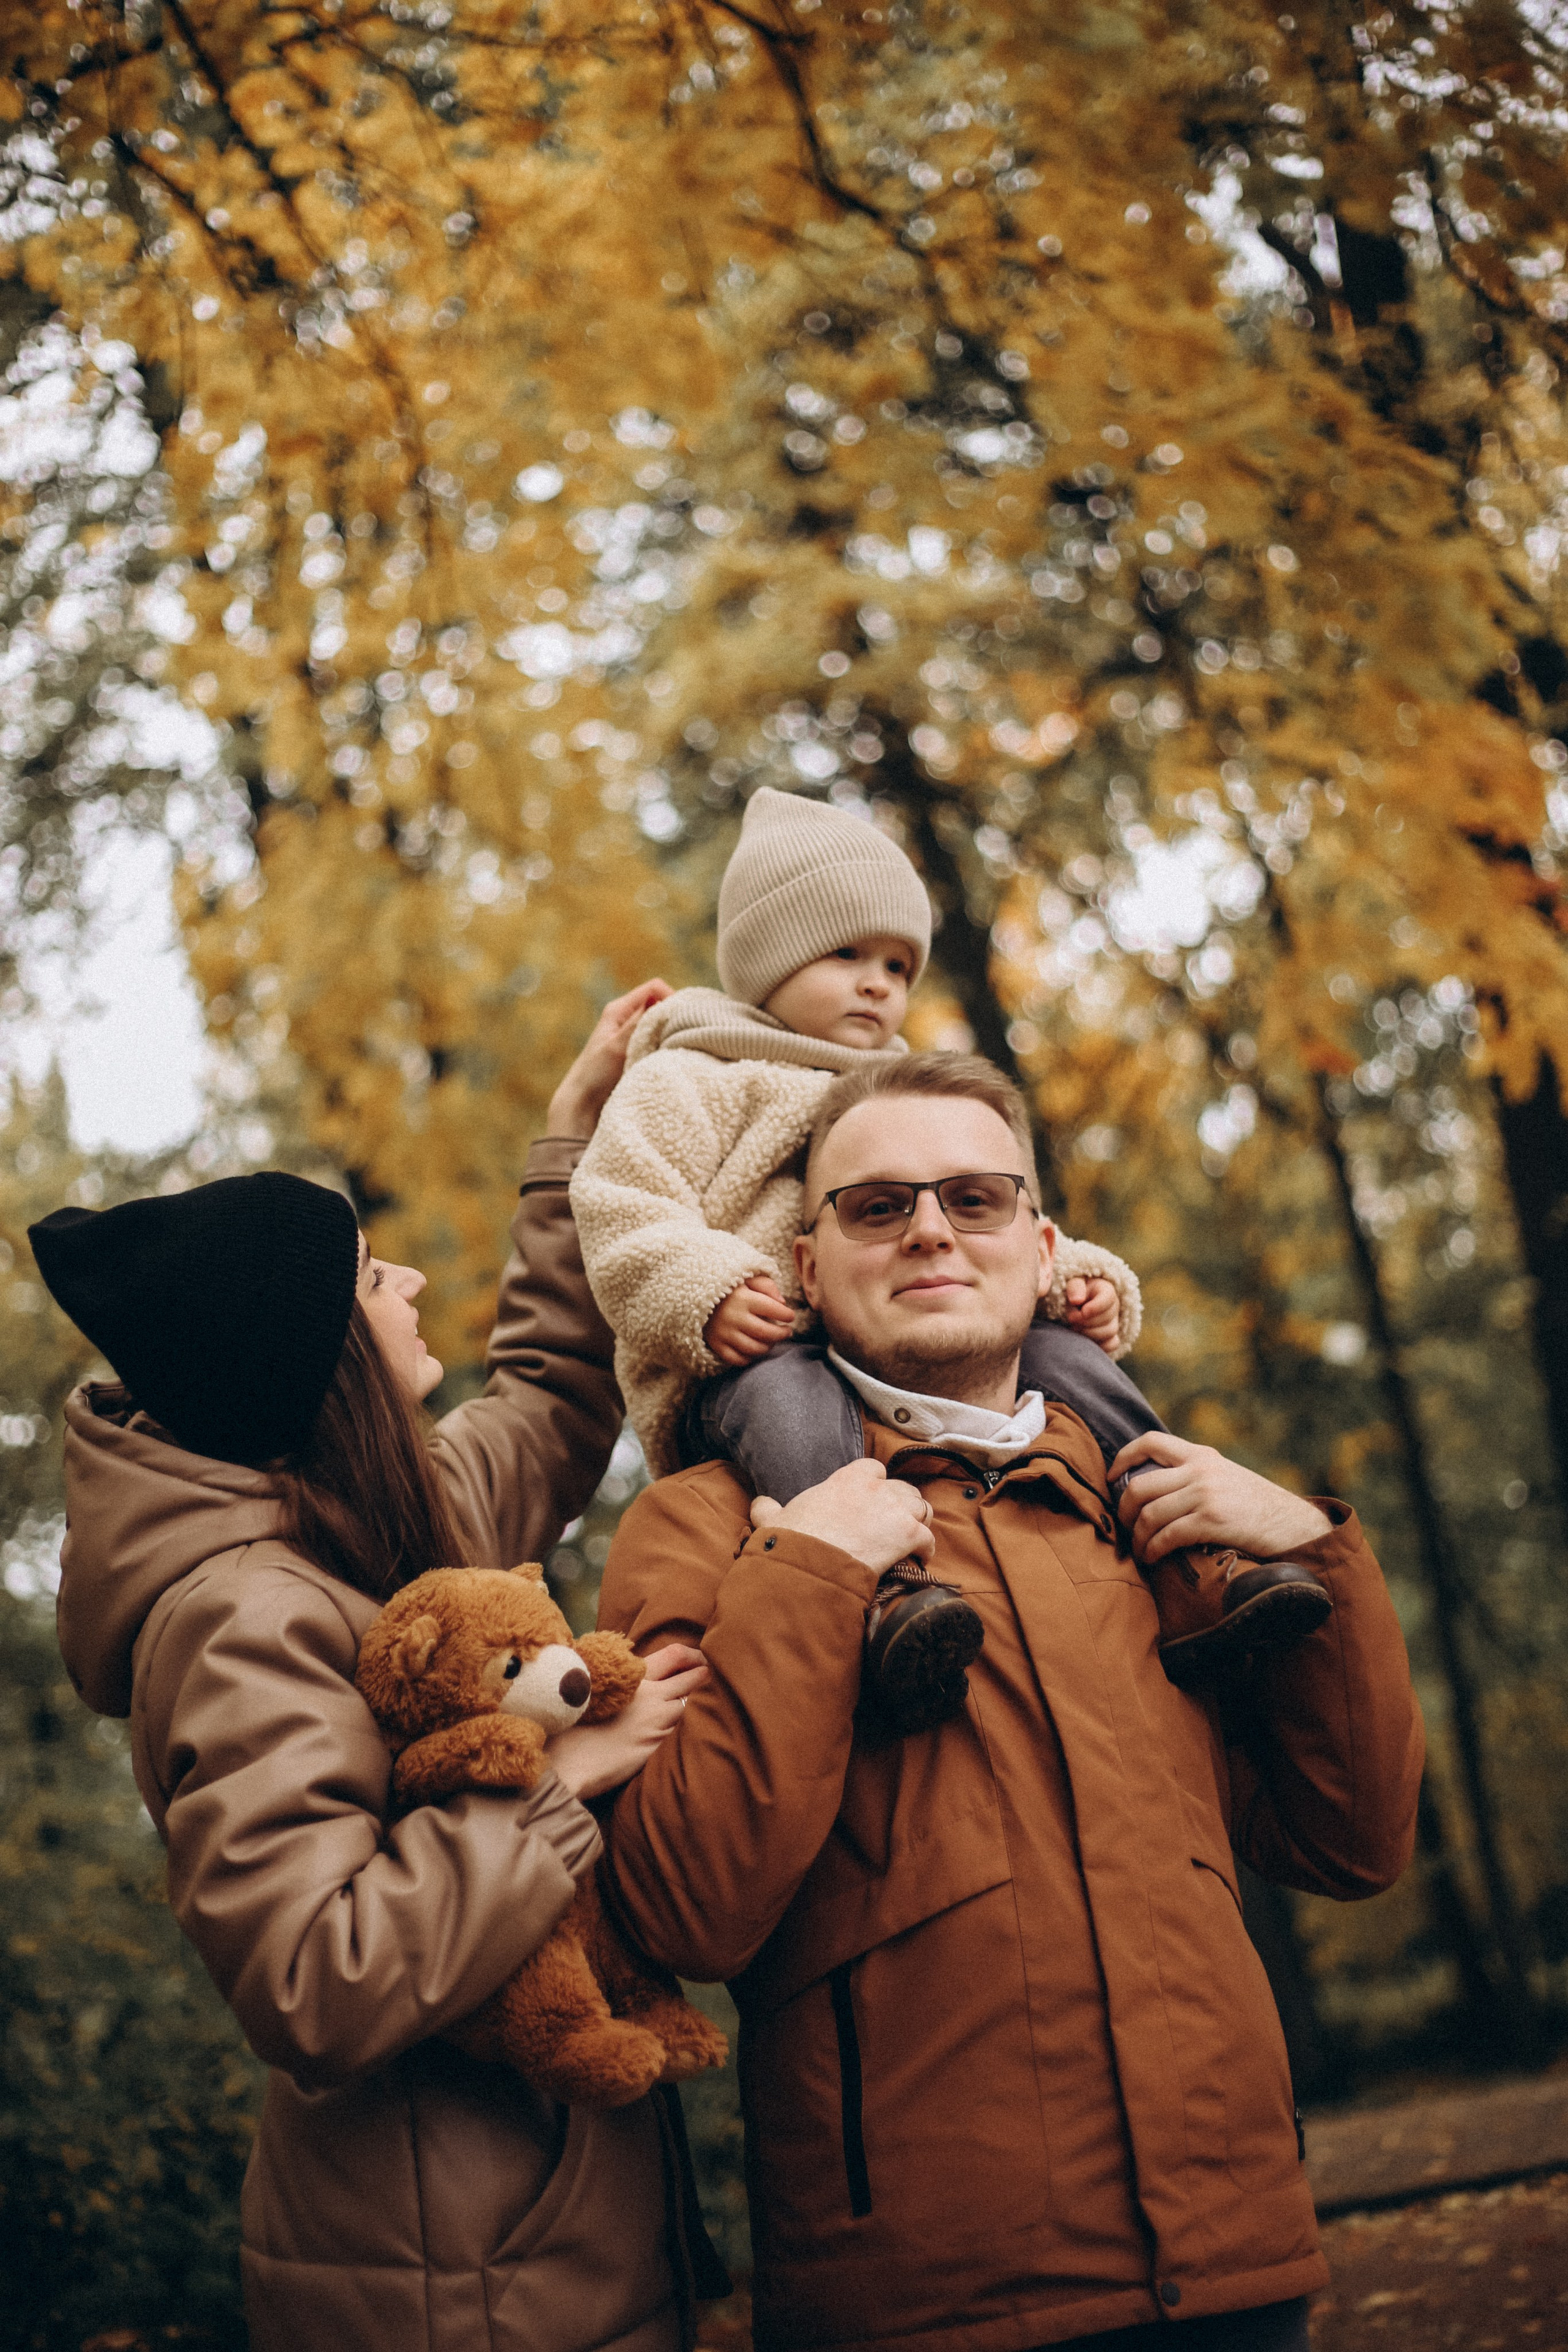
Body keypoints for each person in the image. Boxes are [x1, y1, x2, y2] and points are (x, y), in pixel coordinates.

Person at [594, 1050, 1425, 2352]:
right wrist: (809, 1578)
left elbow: (1350, 1842)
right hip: (925, 2309)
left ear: (1044, 1253)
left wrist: (1310, 1552)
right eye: (875, 1206)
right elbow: (680, 1909)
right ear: (805, 1268)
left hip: (1237, 2271)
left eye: (972, 1199)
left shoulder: (1164, 1516)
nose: (927, 1227)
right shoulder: (702, 1527)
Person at [29, 980, 726, 2352]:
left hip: (534, 2250)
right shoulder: (241, 1619)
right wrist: (557, 1785)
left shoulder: (375, 1536)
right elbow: (315, 1976)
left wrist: (568, 1149)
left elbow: (543, 1399)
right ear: (314, 1352)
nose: (405, 1282)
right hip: (453, 2289)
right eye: (369, 1276)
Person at [570, 788, 1329, 1724]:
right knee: (787, 1394)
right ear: (768, 958)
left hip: (893, 1341)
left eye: (898, 964)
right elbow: (620, 1202)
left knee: (1069, 1364)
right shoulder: (693, 1073)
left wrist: (1075, 1277)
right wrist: (703, 1288)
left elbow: (982, 1208)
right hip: (744, 1358)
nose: (879, 984)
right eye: (847, 954)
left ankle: (1187, 1554)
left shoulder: (898, 1089)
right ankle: (889, 1595)